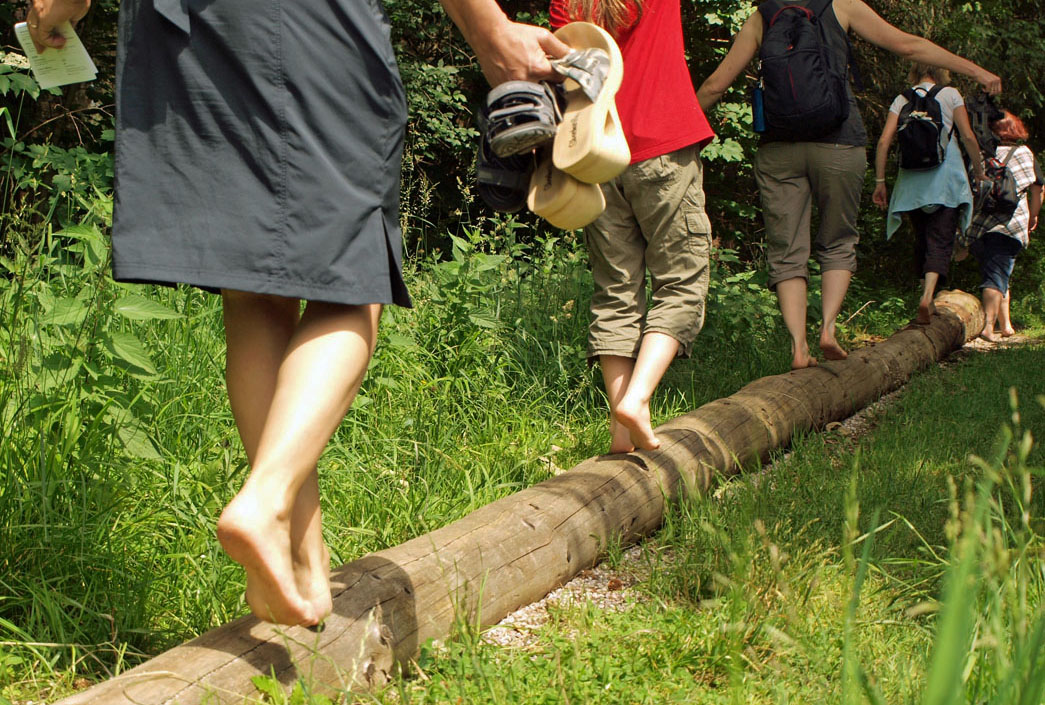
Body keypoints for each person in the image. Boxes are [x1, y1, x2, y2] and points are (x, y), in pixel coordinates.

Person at [26, 0, 569, 626]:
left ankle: (303, 568)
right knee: (356, 278)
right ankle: (265, 501)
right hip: (308, 21)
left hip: (188, 34)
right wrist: (490, 30)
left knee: (256, 290)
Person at [696, 0, 1000, 369]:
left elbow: (715, 84)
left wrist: (679, 137)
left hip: (778, 149)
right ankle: (827, 329)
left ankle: (797, 346)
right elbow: (908, 45)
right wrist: (977, 71)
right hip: (839, 143)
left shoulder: (763, 16)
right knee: (838, 240)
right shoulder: (841, 5)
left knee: (788, 249)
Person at [549, 0, 716, 453]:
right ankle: (637, 400)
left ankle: (621, 432)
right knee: (681, 280)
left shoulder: (565, 3)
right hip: (661, 145)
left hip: (597, 153)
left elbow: (566, 72)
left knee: (616, 289)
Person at [871, 63, 986, 324]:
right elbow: (967, 135)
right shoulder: (950, 94)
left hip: (911, 184)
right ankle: (927, 296)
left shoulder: (902, 98)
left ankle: (928, 299)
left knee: (922, 238)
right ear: (941, 71)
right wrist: (978, 172)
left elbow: (883, 141)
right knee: (941, 240)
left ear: (915, 72)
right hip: (946, 182)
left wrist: (880, 181)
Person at [966, 111, 1043, 342]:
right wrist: (1033, 216)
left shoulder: (980, 155)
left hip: (980, 224)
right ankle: (988, 327)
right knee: (996, 275)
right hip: (1011, 224)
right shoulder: (1024, 153)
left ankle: (1005, 325)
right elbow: (1038, 190)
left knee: (998, 271)